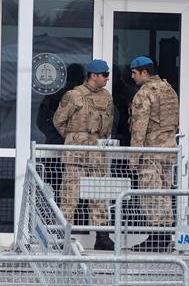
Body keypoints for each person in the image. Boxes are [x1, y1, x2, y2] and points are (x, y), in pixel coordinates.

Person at [52, 59, 115, 251]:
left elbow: (110, 124)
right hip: (76, 156)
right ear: (93, 75)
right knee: (70, 195)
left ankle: (102, 236)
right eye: (104, 75)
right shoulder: (74, 95)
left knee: (99, 196)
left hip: (97, 154)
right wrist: (75, 138)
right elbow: (58, 121)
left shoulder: (107, 97)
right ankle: (62, 235)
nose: (107, 78)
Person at [128, 56, 179, 252]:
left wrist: (134, 157)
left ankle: (156, 238)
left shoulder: (145, 93)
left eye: (134, 73)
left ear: (144, 72)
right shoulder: (169, 89)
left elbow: (139, 128)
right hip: (167, 149)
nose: (132, 77)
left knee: (151, 194)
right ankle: (165, 236)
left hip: (151, 151)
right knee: (164, 193)